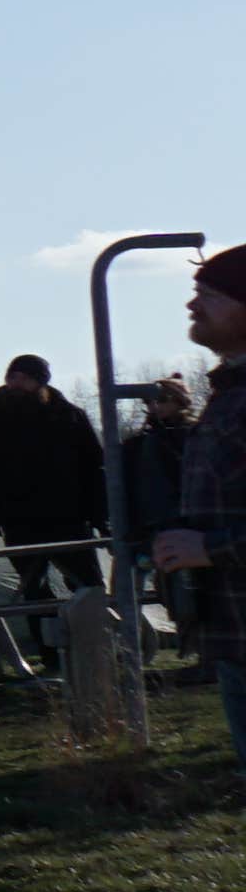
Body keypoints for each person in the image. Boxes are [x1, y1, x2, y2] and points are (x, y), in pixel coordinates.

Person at [0, 356, 111, 666]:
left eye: (24, 377)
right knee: (34, 592)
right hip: (20, 520)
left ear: (40, 381)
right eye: (12, 376)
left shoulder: (69, 417)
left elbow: (95, 469)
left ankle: (97, 656)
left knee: (88, 588)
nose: (16, 383)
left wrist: (98, 515)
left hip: (70, 518)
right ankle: (52, 659)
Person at [153, 253, 246, 766]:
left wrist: (210, 548)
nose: (192, 306)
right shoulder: (228, 393)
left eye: (209, 295)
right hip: (234, 640)